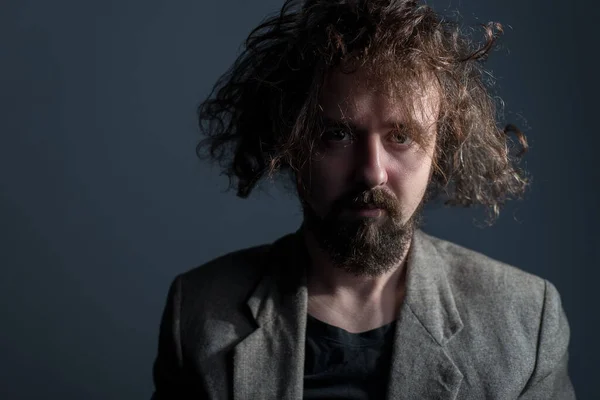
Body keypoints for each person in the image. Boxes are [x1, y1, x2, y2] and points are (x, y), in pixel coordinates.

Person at [151, 0, 575, 398]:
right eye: (336, 135)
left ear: (440, 150)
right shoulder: (200, 309)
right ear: (290, 146)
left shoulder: (524, 320)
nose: (372, 171)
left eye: (402, 136)